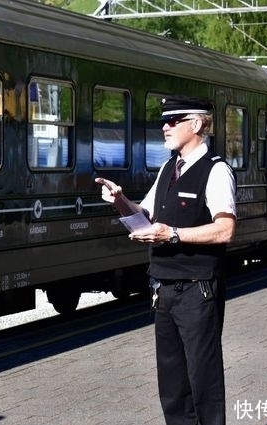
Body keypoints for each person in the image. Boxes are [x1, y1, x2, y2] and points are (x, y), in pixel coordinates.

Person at [95, 95, 236, 425]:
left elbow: (225, 229)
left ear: (197, 124)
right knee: (172, 385)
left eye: (174, 121)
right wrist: (120, 201)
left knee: (204, 381)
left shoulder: (216, 171)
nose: (165, 127)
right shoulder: (168, 169)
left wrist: (172, 234)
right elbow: (146, 214)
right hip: (163, 289)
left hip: (198, 290)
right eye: (164, 121)